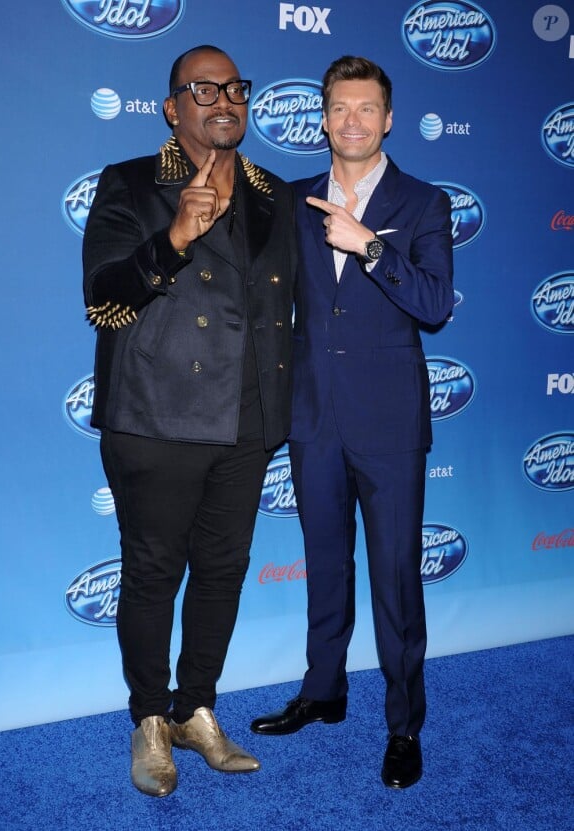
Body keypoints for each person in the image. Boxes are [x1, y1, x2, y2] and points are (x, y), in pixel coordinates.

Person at [83, 45, 295, 797]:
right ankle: (148, 720)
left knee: (223, 572)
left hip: (246, 424)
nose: (223, 98)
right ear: (172, 109)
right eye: (202, 89)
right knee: (151, 573)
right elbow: (103, 302)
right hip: (157, 419)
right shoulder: (133, 183)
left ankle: (195, 708)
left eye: (235, 86)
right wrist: (171, 240)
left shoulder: (274, 192)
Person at [250, 55, 453, 789]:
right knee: (326, 565)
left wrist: (369, 246)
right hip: (314, 417)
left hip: (391, 420)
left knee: (397, 575)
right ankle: (323, 688)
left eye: (366, 108)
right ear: (323, 118)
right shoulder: (293, 200)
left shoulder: (424, 203)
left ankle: (404, 725)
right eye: (339, 107)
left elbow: (433, 303)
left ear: (388, 118)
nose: (352, 121)